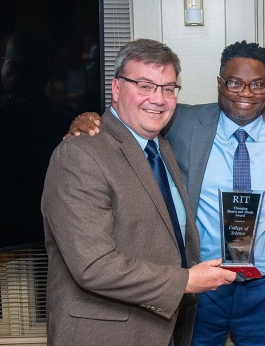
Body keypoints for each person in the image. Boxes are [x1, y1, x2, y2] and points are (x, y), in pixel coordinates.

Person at [66, 41, 265, 346]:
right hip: (200, 284)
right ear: (219, 84)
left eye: (257, 84)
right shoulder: (181, 123)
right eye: (234, 82)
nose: (246, 93)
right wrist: (91, 120)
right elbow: (131, 118)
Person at [42, 38, 236, 346]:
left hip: (160, 326)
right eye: (145, 86)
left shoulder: (160, 147)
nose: (158, 99)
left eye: (168, 88)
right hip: (106, 334)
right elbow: (93, 266)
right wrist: (185, 281)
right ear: (116, 89)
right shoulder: (79, 154)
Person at [0, 29, 77, 250]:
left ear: (11, 67)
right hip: (48, 228)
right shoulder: (64, 119)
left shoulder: (8, 112)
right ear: (49, 72)